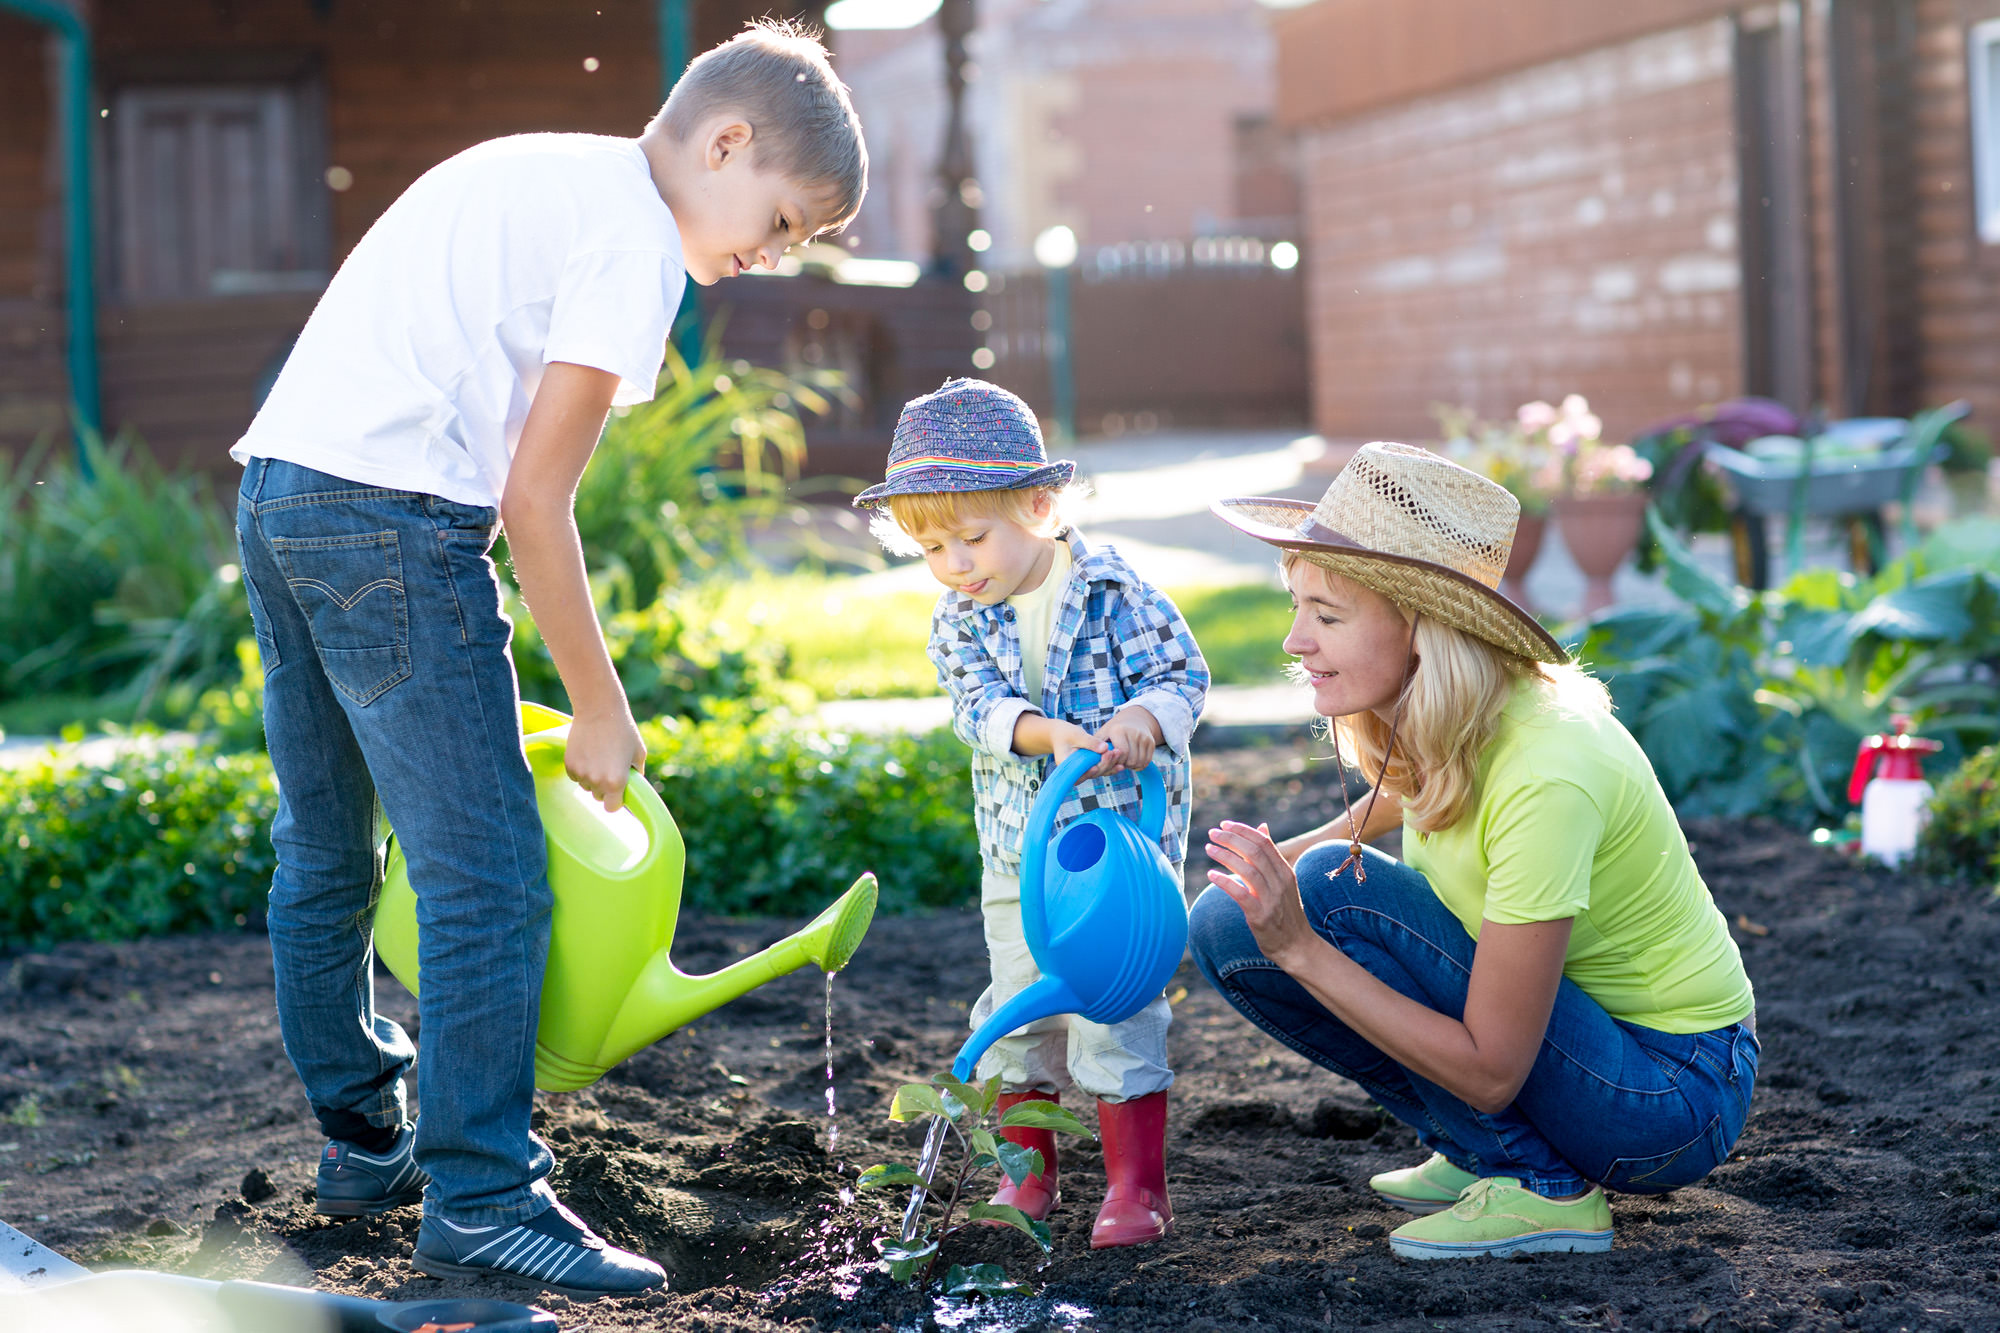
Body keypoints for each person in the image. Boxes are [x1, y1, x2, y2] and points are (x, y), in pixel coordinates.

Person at [228, 21, 865, 1297]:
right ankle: (482, 1193)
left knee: (329, 850)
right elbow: (534, 502)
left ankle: (365, 1140)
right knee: (488, 877)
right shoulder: (635, 240)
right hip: (396, 521)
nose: (769, 256)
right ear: (725, 142)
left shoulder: (538, 165)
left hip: (281, 493)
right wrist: (598, 705)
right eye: (783, 220)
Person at [1190, 442, 1757, 1260]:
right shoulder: (1462, 712)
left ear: (1421, 626)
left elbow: (1493, 1068)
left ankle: (1544, 1187)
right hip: (1591, 1052)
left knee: (1324, 896)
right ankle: (1488, 1153)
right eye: (1297, 605)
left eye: (1327, 614)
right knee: (1226, 920)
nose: (1293, 640)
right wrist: (1282, 862)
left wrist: (1302, 950)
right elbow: (1423, 790)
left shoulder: (1549, 768)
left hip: (1668, 1092)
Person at [855, 379, 1209, 1247]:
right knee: (1020, 1008)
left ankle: (1136, 1188)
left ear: (1042, 506)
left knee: (1115, 1010)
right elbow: (975, 706)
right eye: (932, 546)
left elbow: (1183, 677)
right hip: (1019, 857)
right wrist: (1036, 729)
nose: (955, 562)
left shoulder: (1115, 590)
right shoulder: (959, 619)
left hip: (1119, 860)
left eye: (972, 536)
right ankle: (1030, 1178)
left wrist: (1142, 719)